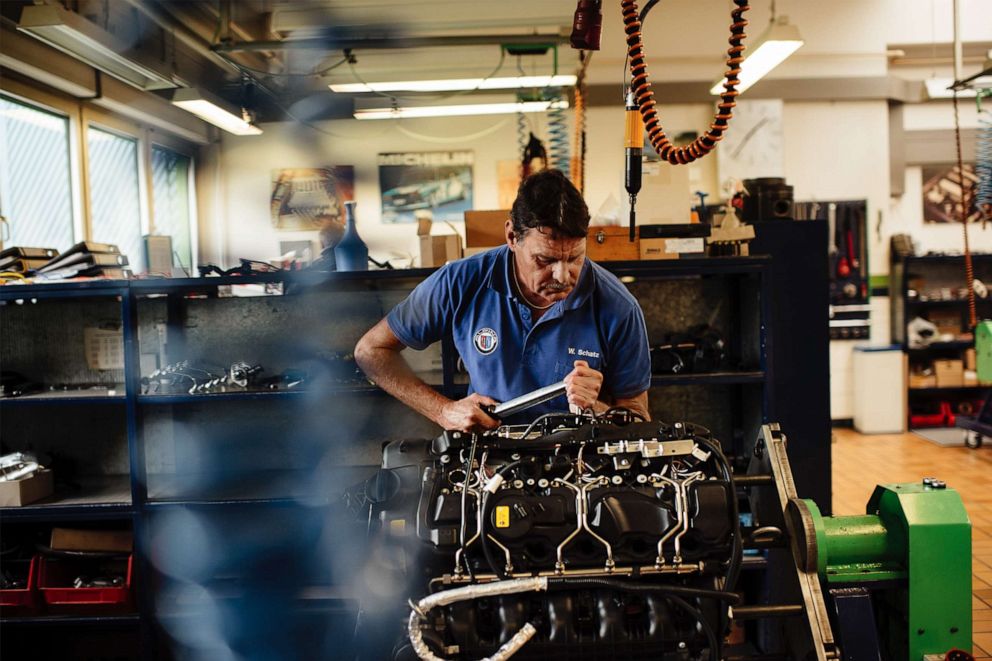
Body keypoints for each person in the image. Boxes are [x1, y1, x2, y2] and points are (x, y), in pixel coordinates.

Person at [354, 169, 651, 432]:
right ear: (511, 236)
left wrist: (596, 409)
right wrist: (443, 411)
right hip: (489, 454)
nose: (562, 275)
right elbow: (371, 350)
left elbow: (639, 419)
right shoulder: (462, 281)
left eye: (575, 258)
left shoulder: (618, 306)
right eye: (544, 259)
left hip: (578, 457)